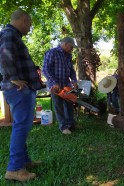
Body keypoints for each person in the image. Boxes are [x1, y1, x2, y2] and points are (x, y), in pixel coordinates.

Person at [0, 9, 42, 182]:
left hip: (18, 89)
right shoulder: (10, 34)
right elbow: (4, 56)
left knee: (21, 125)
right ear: (24, 20)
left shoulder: (11, 34)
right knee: (21, 127)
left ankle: (23, 161)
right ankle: (15, 169)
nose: (30, 28)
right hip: (18, 89)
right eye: (30, 24)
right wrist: (14, 78)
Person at [42, 37, 78, 135]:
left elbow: (71, 70)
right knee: (58, 106)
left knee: (69, 104)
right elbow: (45, 69)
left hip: (66, 84)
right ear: (66, 44)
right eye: (71, 46)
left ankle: (71, 124)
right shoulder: (52, 52)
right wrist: (54, 82)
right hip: (55, 86)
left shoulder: (69, 56)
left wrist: (74, 80)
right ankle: (63, 127)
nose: (72, 49)